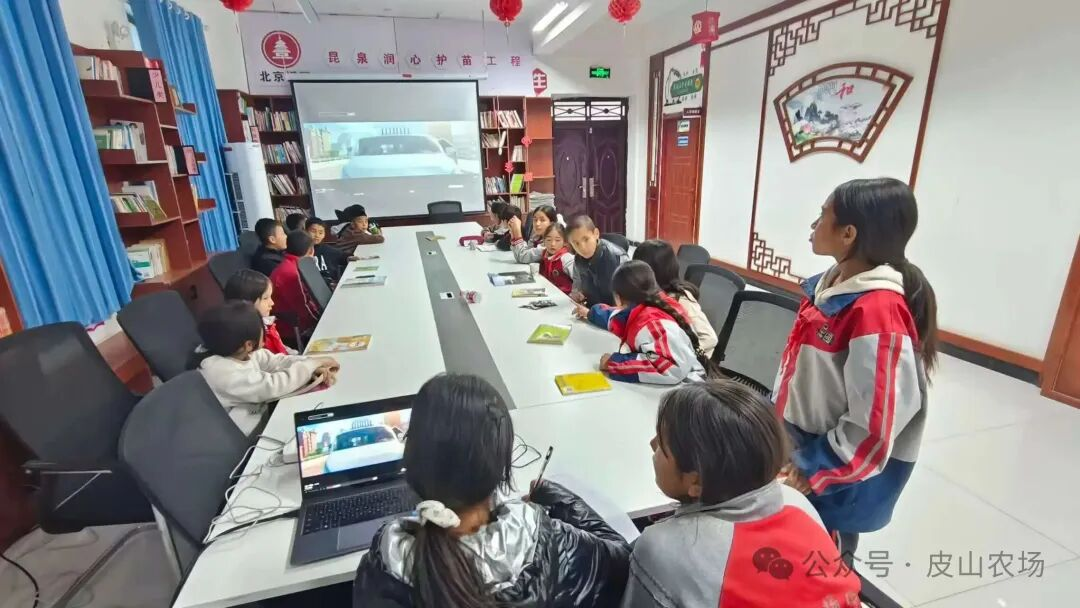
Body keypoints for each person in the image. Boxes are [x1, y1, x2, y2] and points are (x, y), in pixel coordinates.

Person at [353, 373, 631, 607]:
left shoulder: (384, 563)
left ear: (412, 461)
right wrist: (564, 502)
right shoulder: (548, 543)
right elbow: (626, 561)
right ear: (501, 465)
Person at [774, 178, 936, 558]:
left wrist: (811, 468)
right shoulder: (828, 290)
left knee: (821, 563)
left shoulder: (877, 312)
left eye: (822, 216)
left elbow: (872, 428)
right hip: (799, 446)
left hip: (832, 476)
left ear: (848, 234)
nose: (813, 225)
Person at [621, 381, 861, 608]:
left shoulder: (664, 547)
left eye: (663, 445)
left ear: (696, 481)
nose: (652, 444)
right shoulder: (796, 501)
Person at [193, 301, 338, 435]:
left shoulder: (237, 349)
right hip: (248, 435)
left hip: (264, 414)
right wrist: (313, 364)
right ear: (248, 344)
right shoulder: (219, 372)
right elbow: (273, 385)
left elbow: (276, 361)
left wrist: (310, 365)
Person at [577, 260, 713, 385]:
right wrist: (590, 313)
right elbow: (615, 319)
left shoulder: (652, 323)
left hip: (687, 389)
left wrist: (614, 363)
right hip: (678, 382)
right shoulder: (647, 307)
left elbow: (671, 367)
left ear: (618, 298)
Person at [632, 240, 718, 357]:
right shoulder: (647, 293)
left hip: (684, 362)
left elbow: (710, 338)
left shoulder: (681, 300)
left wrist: (679, 356)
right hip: (655, 351)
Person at [223, 269, 296, 355]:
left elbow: (282, 348)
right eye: (265, 298)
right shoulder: (250, 342)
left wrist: (298, 355)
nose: (272, 303)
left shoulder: (266, 323)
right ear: (246, 303)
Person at [269, 230, 322, 341]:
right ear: (311, 250)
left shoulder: (289, 265)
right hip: (294, 330)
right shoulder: (292, 273)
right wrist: (323, 319)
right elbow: (303, 308)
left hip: (295, 323)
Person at [566, 216, 628, 306]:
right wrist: (577, 295)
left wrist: (596, 312)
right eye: (576, 243)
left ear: (596, 233)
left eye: (586, 239)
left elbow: (627, 304)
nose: (582, 247)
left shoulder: (618, 258)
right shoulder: (578, 260)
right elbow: (577, 289)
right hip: (592, 309)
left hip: (613, 312)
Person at [510, 223, 575, 294]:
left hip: (563, 296)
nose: (552, 244)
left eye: (557, 240)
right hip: (546, 292)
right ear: (544, 241)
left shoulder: (566, 258)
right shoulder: (542, 252)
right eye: (549, 240)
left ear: (565, 242)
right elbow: (523, 257)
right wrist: (513, 235)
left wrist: (574, 295)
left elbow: (579, 281)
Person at [306, 217, 351, 284]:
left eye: (321, 232)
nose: (317, 235)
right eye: (313, 231)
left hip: (332, 285)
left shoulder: (327, 249)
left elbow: (343, 256)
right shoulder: (301, 251)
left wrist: (349, 257)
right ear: (305, 231)